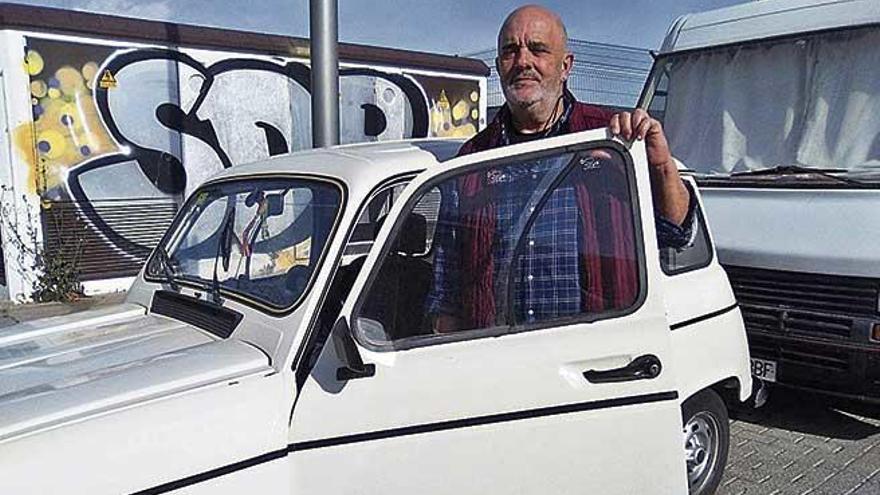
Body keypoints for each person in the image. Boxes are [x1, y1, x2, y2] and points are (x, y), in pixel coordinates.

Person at [426, 4, 696, 333]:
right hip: (498, 357)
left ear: (565, 65)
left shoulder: (612, 140)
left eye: (538, 49)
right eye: (511, 51)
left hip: (593, 355)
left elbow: (676, 233)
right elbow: (447, 271)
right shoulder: (474, 157)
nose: (523, 61)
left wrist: (660, 166)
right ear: (499, 66)